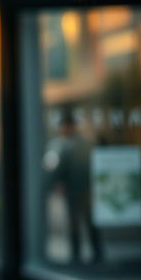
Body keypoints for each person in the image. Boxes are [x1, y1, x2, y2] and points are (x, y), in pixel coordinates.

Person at [42, 109, 100, 264]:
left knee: (79, 222)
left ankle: (79, 254)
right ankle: (94, 253)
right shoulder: (86, 142)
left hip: (76, 187)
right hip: (84, 187)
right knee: (88, 221)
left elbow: (58, 167)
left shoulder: (64, 144)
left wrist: (58, 183)